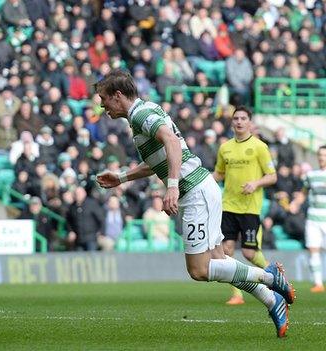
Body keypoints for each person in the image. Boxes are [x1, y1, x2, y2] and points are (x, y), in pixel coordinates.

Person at [94, 69, 294, 338]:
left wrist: (173, 186)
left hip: (194, 193)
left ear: (118, 96)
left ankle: (270, 277)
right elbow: (159, 159)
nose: (102, 104)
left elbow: (172, 142)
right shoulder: (143, 111)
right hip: (201, 189)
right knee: (218, 261)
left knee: (199, 270)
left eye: (104, 98)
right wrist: (121, 177)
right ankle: (272, 300)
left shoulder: (141, 115)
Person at [212, 106, 277, 306]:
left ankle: (274, 276)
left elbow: (272, 176)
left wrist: (256, 183)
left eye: (243, 118)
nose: (239, 122)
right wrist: (202, 182)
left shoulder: (259, 147)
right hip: (228, 206)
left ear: (250, 122)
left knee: (249, 253)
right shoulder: (225, 147)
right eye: (236, 118)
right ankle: (237, 295)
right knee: (226, 252)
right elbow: (219, 174)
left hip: (249, 208)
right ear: (232, 122)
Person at [302, 145, 326, 293]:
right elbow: (304, 192)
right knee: (313, 249)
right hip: (313, 217)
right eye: (320, 155)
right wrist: (295, 203)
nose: (321, 157)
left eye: (324, 155)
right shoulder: (311, 175)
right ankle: (318, 283)